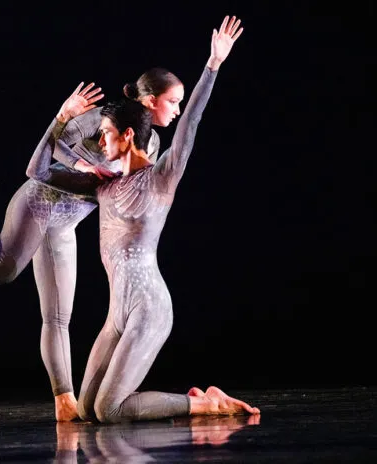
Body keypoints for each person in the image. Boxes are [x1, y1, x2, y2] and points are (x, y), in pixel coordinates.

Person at [26, 16, 259, 422]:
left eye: (105, 135)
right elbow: (36, 171)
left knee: (110, 410)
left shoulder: (160, 179)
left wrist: (213, 65)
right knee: (86, 411)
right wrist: (61, 118)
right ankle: (204, 399)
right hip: (118, 312)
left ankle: (206, 403)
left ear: (128, 136)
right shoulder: (101, 185)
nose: (99, 143)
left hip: (150, 308)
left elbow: (190, 124)